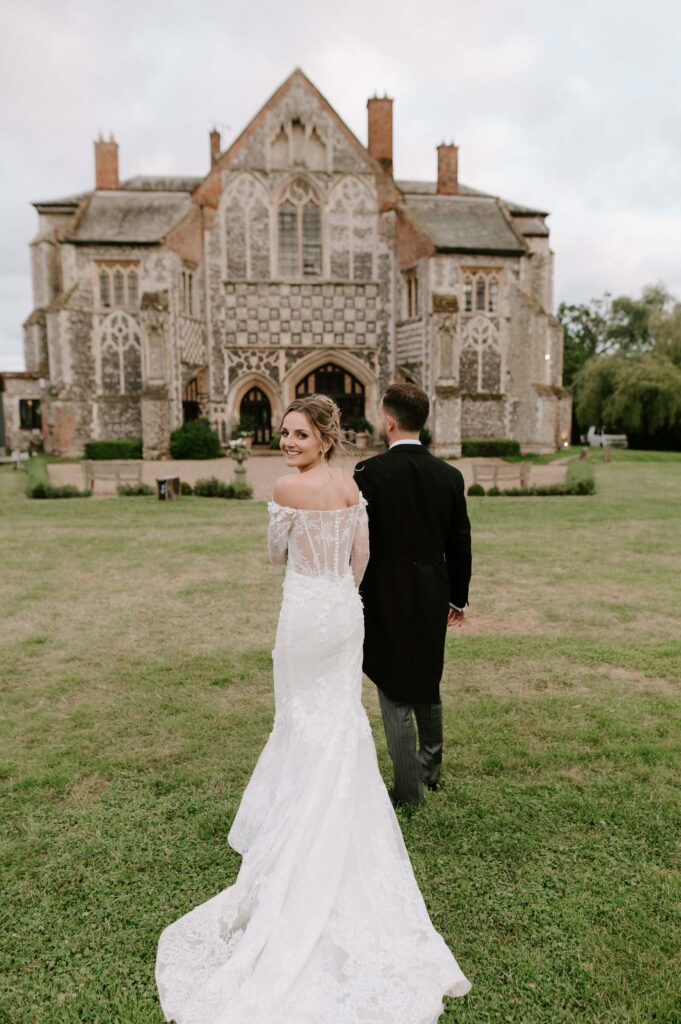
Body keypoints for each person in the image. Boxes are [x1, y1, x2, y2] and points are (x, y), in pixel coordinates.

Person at [155, 393, 471, 1023]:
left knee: (300, 716)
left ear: (323, 437)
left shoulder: (286, 488)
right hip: (341, 613)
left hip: (304, 612)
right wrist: (336, 594)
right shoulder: (354, 492)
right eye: (285, 433)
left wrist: (307, 570)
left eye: (298, 434)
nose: (288, 442)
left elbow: (276, 555)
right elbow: (359, 562)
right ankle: (335, 806)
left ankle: (296, 818)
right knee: (341, 719)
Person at [354, 383, 472, 807]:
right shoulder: (450, 475)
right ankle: (430, 769)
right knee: (427, 675)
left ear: (388, 420)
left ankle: (408, 792)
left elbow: (359, 541)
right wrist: (457, 597)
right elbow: (460, 542)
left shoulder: (367, 473)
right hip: (432, 589)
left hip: (383, 591)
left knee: (392, 683)